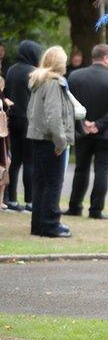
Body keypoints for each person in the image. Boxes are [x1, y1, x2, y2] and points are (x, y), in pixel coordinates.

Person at [66, 44, 108, 220]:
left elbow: (69, 102)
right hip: (107, 134)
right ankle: (95, 209)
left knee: (80, 169)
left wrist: (83, 123)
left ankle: (75, 207)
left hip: (82, 132)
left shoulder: (75, 77)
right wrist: (99, 125)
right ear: (105, 58)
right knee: (102, 171)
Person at [26, 46, 74, 237]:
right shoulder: (54, 83)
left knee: (40, 183)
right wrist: (61, 142)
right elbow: (54, 116)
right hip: (50, 140)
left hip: (39, 138)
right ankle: (50, 224)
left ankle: (38, 224)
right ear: (59, 62)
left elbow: (31, 111)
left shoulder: (39, 81)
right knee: (53, 183)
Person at [3, 40, 43, 212]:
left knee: (14, 160)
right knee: (30, 161)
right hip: (28, 121)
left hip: (12, 119)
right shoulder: (33, 72)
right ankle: (30, 201)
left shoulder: (11, 70)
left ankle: (11, 199)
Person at [0, 74, 11, 210]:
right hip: (2, 136)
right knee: (4, 165)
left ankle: (2, 199)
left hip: (4, 136)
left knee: (5, 165)